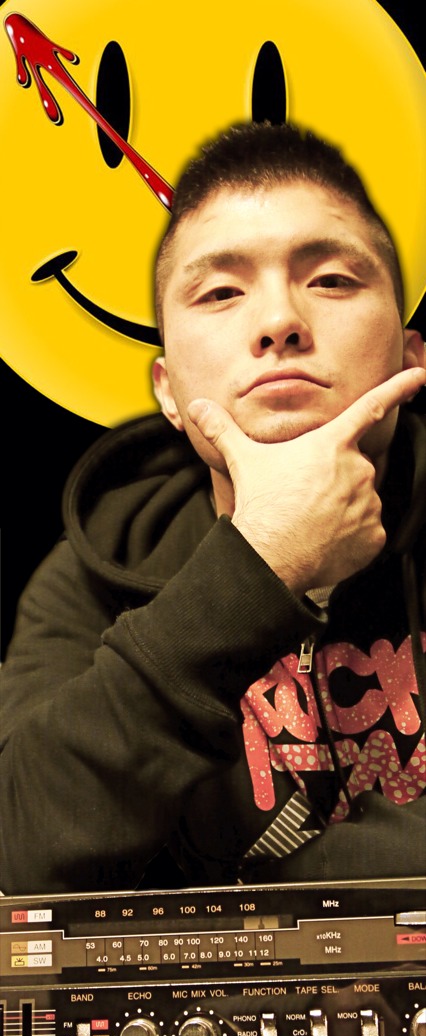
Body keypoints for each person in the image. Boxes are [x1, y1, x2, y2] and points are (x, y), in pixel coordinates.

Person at [1, 122, 425, 896]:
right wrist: (262, 562)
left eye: (332, 280)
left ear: (410, 354)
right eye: (222, 292)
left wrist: (258, 890)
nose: (278, 322)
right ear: (167, 390)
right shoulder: (92, 571)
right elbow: (20, 850)